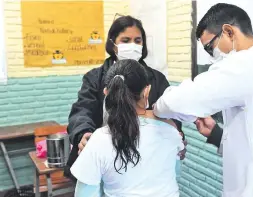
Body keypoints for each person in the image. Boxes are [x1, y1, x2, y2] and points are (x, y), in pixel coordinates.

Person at [153, 3, 253, 197]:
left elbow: (177, 101)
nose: (212, 57)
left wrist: (155, 107)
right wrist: (217, 135)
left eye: (210, 47)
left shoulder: (245, 65)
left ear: (228, 32)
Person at [65, 15, 186, 179]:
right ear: (113, 44)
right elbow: (82, 111)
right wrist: (83, 133)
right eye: (125, 40)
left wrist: (176, 134)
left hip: (145, 162)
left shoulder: (156, 79)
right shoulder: (94, 78)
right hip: (103, 160)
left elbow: (171, 115)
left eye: (138, 40)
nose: (133, 45)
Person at [71, 59, 184, 197]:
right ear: (147, 91)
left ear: (106, 92)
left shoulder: (99, 140)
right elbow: (176, 175)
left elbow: (85, 194)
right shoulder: (171, 131)